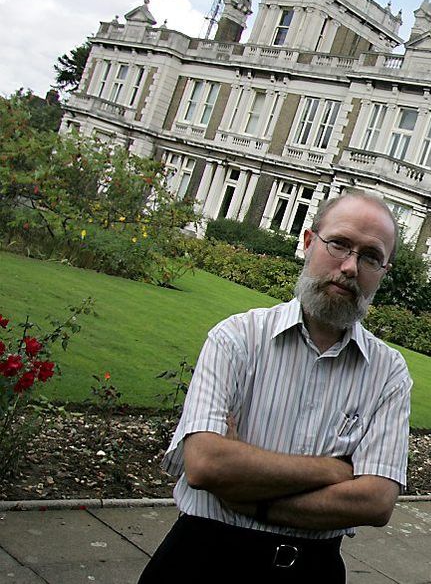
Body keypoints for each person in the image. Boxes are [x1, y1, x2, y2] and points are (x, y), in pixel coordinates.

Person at [139, 192, 411, 583]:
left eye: (370, 256)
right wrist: (334, 471)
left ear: (383, 271)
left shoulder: (389, 373)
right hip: (202, 559)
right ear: (307, 242)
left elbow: (376, 501)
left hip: (311, 569)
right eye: (339, 244)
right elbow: (205, 464)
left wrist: (247, 501)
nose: (350, 267)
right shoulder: (236, 338)